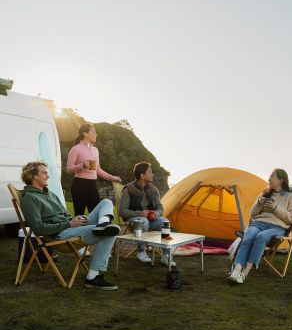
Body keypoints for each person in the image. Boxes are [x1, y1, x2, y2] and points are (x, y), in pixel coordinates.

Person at [20, 161, 121, 290]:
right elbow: (38, 228)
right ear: (33, 176)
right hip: (59, 234)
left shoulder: (50, 194)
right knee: (110, 232)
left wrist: (75, 219)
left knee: (106, 202)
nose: (48, 175)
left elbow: (65, 214)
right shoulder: (30, 198)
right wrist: (69, 223)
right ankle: (92, 277)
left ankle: (103, 223)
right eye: (44, 173)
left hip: (71, 226)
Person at [228, 168, 292, 284]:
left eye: (272, 176)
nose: (268, 179)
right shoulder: (266, 193)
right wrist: (258, 204)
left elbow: (291, 218)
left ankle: (245, 273)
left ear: (281, 180)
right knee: (248, 237)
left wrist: (276, 208)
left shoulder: (291, 197)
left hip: (277, 228)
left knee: (261, 237)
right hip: (258, 223)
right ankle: (237, 270)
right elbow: (252, 214)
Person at [119, 162, 176, 267]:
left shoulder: (153, 189)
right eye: (150, 172)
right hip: (133, 221)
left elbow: (160, 207)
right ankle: (141, 251)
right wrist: (138, 213)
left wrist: (157, 213)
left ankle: (166, 256)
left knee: (164, 221)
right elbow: (121, 211)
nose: (152, 174)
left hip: (150, 220)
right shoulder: (128, 189)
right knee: (143, 221)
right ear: (142, 175)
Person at [67, 123, 122, 216]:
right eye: (93, 132)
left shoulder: (95, 150)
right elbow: (69, 169)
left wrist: (112, 177)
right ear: (85, 134)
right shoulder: (75, 149)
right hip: (79, 185)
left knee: (96, 215)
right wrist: (82, 165)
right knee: (79, 216)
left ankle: (93, 230)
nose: (96, 134)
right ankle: (77, 230)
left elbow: (97, 169)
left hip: (92, 185)